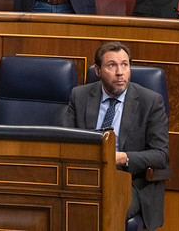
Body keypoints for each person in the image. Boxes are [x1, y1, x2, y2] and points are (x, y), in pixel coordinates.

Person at [64, 42, 169, 231]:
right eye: (112, 65)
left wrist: (122, 158)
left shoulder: (150, 101)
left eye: (125, 65)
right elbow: (64, 141)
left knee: (101, 208)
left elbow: (161, 155)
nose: (120, 72)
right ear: (97, 70)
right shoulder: (79, 96)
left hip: (130, 181)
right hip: (84, 175)